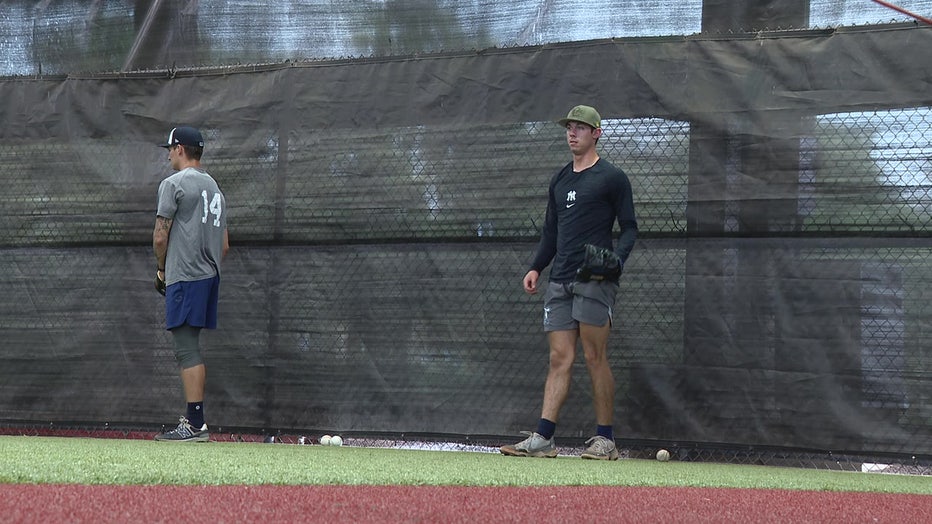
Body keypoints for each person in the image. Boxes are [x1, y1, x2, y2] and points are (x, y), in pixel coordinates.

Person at [500, 105, 637, 460]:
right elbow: (551, 233)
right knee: (559, 358)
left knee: (594, 356)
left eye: (580, 128)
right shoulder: (560, 180)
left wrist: (616, 261)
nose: (572, 133)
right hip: (559, 279)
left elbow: (630, 228)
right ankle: (544, 439)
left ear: (597, 134)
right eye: (569, 128)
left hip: (594, 277)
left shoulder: (612, 177)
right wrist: (536, 267)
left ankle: (605, 440)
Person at [152, 126, 229, 442]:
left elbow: (160, 236)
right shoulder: (215, 188)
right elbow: (224, 245)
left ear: (180, 148)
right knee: (190, 346)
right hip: (209, 275)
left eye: (169, 148)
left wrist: (161, 271)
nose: (168, 154)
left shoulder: (174, 184)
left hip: (185, 275)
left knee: (186, 348)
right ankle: (196, 422)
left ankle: (195, 424)